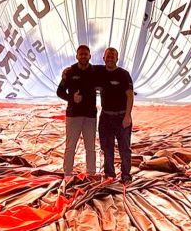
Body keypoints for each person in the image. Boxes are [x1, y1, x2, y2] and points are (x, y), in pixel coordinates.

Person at [56, 44, 99, 182]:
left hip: (90, 115)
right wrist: (71, 98)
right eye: (81, 54)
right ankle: (67, 173)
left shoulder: (95, 71)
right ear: (77, 56)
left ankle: (91, 173)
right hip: (73, 115)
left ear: (90, 56)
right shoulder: (70, 72)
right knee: (70, 146)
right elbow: (59, 91)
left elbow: (110, 74)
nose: (83, 56)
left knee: (90, 147)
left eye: (85, 54)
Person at [98, 47, 134, 183]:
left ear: (117, 59)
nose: (110, 58)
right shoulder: (99, 72)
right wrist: (67, 71)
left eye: (113, 56)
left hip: (121, 117)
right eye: (108, 56)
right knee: (107, 148)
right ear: (104, 58)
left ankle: (126, 175)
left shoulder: (124, 74)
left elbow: (130, 96)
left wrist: (128, 116)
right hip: (106, 116)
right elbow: (85, 68)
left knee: (124, 148)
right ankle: (109, 174)